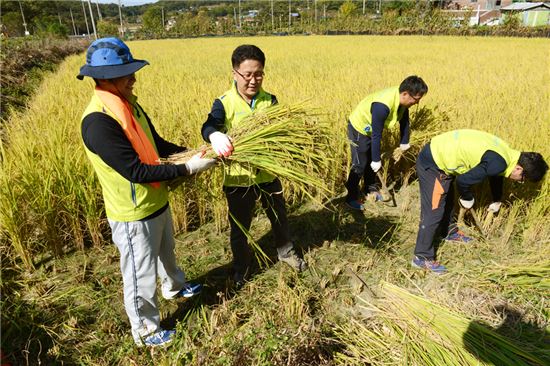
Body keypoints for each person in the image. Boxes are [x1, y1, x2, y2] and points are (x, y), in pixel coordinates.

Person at [77, 37, 217, 347]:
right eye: (127, 73)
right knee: (139, 276)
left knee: (167, 255)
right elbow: (136, 172)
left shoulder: (129, 106)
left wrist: (193, 152)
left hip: (156, 201)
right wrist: (188, 169)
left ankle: (174, 287)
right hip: (133, 214)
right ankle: (145, 330)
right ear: (105, 79)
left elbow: (157, 145)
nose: (133, 78)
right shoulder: (98, 121)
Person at [201, 44, 307, 287]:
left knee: (280, 218)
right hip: (238, 180)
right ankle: (241, 267)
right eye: (247, 74)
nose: (253, 80)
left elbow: (281, 131)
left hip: (268, 174)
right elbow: (209, 126)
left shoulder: (270, 100)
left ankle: (286, 253)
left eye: (258, 73)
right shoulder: (224, 103)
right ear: (234, 73)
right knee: (240, 228)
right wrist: (214, 136)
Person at [412, 129, 548, 274]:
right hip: (433, 161)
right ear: (519, 168)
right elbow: (463, 181)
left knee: (448, 202)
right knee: (434, 210)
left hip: (442, 154)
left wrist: (496, 199)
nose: (521, 182)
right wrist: (467, 197)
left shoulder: (508, 155)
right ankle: (421, 257)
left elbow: (495, 174)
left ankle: (449, 232)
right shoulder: (499, 162)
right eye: (523, 178)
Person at [345, 76, 428, 210]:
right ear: (405, 94)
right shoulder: (382, 106)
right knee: (360, 163)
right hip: (359, 127)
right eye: (416, 99)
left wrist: (404, 141)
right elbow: (377, 135)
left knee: (371, 158)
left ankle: (370, 190)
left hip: (372, 129)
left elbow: (404, 120)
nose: (416, 103)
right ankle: (351, 196)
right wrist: (377, 160)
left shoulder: (402, 100)